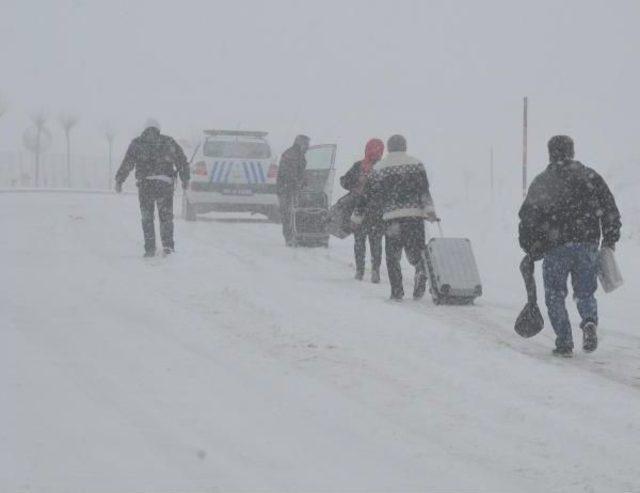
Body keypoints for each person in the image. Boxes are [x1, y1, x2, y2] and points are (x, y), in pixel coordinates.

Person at [518, 135, 621, 356]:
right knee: (585, 292)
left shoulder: (543, 181)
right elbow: (609, 207)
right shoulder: (590, 176)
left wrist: (530, 246)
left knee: (555, 294)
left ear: (550, 153)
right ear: (572, 152)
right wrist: (610, 238)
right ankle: (589, 321)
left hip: (555, 248)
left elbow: (528, 217)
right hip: (587, 245)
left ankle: (564, 341)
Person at [355, 134, 437, 300]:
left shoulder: (379, 168)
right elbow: (423, 190)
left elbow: (366, 195)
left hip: (392, 218)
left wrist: (357, 216)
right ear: (405, 147)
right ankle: (420, 271)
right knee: (417, 252)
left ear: (389, 148)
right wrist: (430, 211)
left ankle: (397, 291)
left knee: (392, 257)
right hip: (415, 218)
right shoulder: (416, 164)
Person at [115, 119, 190, 257]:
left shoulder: (137, 143)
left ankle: (150, 249)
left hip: (145, 186)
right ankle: (168, 247)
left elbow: (127, 163)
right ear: (158, 129)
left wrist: (119, 180)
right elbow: (182, 161)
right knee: (166, 218)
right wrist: (185, 179)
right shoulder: (169, 142)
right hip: (164, 185)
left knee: (147, 218)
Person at [340, 139, 385, 282]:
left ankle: (360, 271)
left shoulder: (359, 166)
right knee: (376, 242)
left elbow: (344, 181)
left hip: (359, 209)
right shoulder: (384, 168)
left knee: (359, 241)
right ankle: (375, 271)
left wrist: (355, 185)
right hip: (377, 211)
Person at [276, 135, 310, 246]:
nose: (308, 147)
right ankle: (290, 237)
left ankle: (296, 235)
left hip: (291, 188)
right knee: (288, 213)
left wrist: (303, 182)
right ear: (300, 143)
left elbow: (301, 172)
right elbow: (289, 174)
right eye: (306, 144)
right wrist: (298, 182)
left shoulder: (299, 155)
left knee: (294, 212)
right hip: (286, 189)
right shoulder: (291, 155)